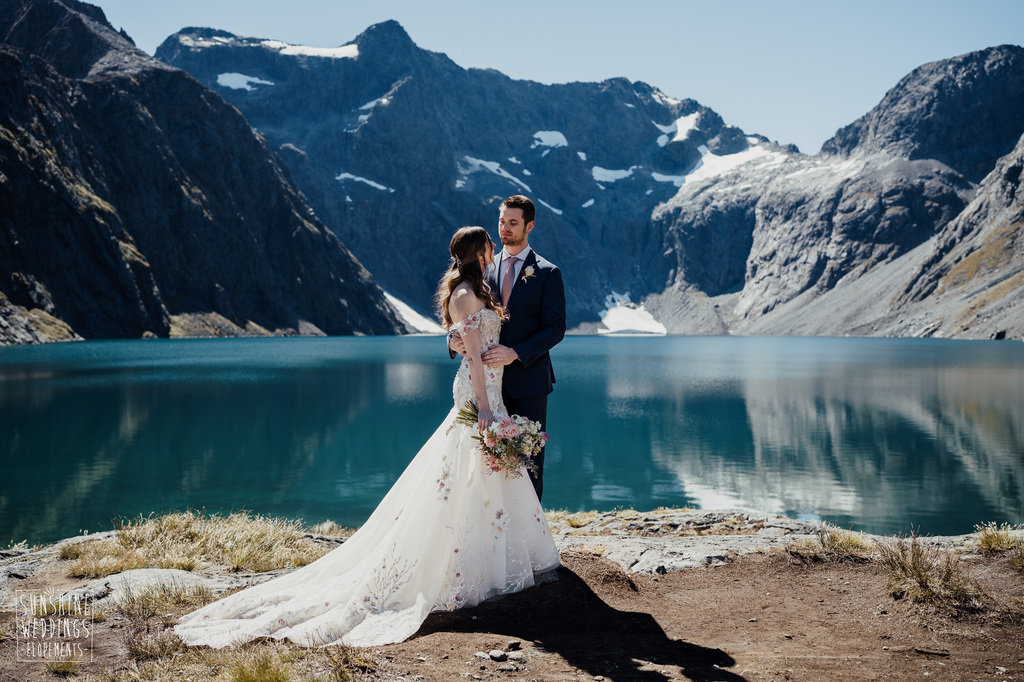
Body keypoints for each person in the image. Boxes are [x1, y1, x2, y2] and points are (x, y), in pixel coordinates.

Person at [174, 226, 559, 649]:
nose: (493, 248)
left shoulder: (479, 289)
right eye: (488, 245)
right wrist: (485, 405)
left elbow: (472, 338)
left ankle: (496, 557)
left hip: (494, 388)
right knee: (467, 466)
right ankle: (466, 564)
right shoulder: (465, 294)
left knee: (486, 472)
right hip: (479, 391)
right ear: (477, 251)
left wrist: (480, 368)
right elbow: (470, 354)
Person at [450, 195, 566, 501]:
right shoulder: (483, 267)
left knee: (528, 464)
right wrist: (451, 339)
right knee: (486, 466)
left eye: (513, 223)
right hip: (486, 386)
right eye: (502, 221)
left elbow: (556, 328)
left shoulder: (548, 273)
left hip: (528, 382)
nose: (505, 228)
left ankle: (530, 529)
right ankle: (494, 526)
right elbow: (461, 312)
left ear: (530, 226)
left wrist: (515, 353)